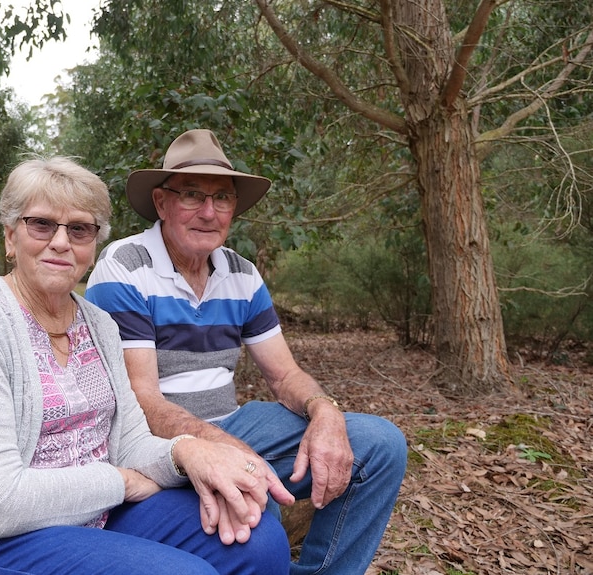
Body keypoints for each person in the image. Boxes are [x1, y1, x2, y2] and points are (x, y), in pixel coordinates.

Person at [0, 156, 293, 575]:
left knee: (263, 544)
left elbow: (129, 442)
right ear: (10, 237)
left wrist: (186, 452)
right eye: (41, 224)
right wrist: (121, 481)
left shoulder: (99, 324)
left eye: (79, 229)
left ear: (93, 244)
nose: (60, 241)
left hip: (100, 514)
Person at [85, 130, 408, 575]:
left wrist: (326, 413)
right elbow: (142, 401)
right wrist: (230, 452)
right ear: (161, 203)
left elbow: (284, 375)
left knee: (380, 445)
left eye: (222, 198)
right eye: (192, 195)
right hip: (160, 443)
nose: (209, 212)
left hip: (235, 424)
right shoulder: (125, 268)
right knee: (258, 517)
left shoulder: (241, 272)